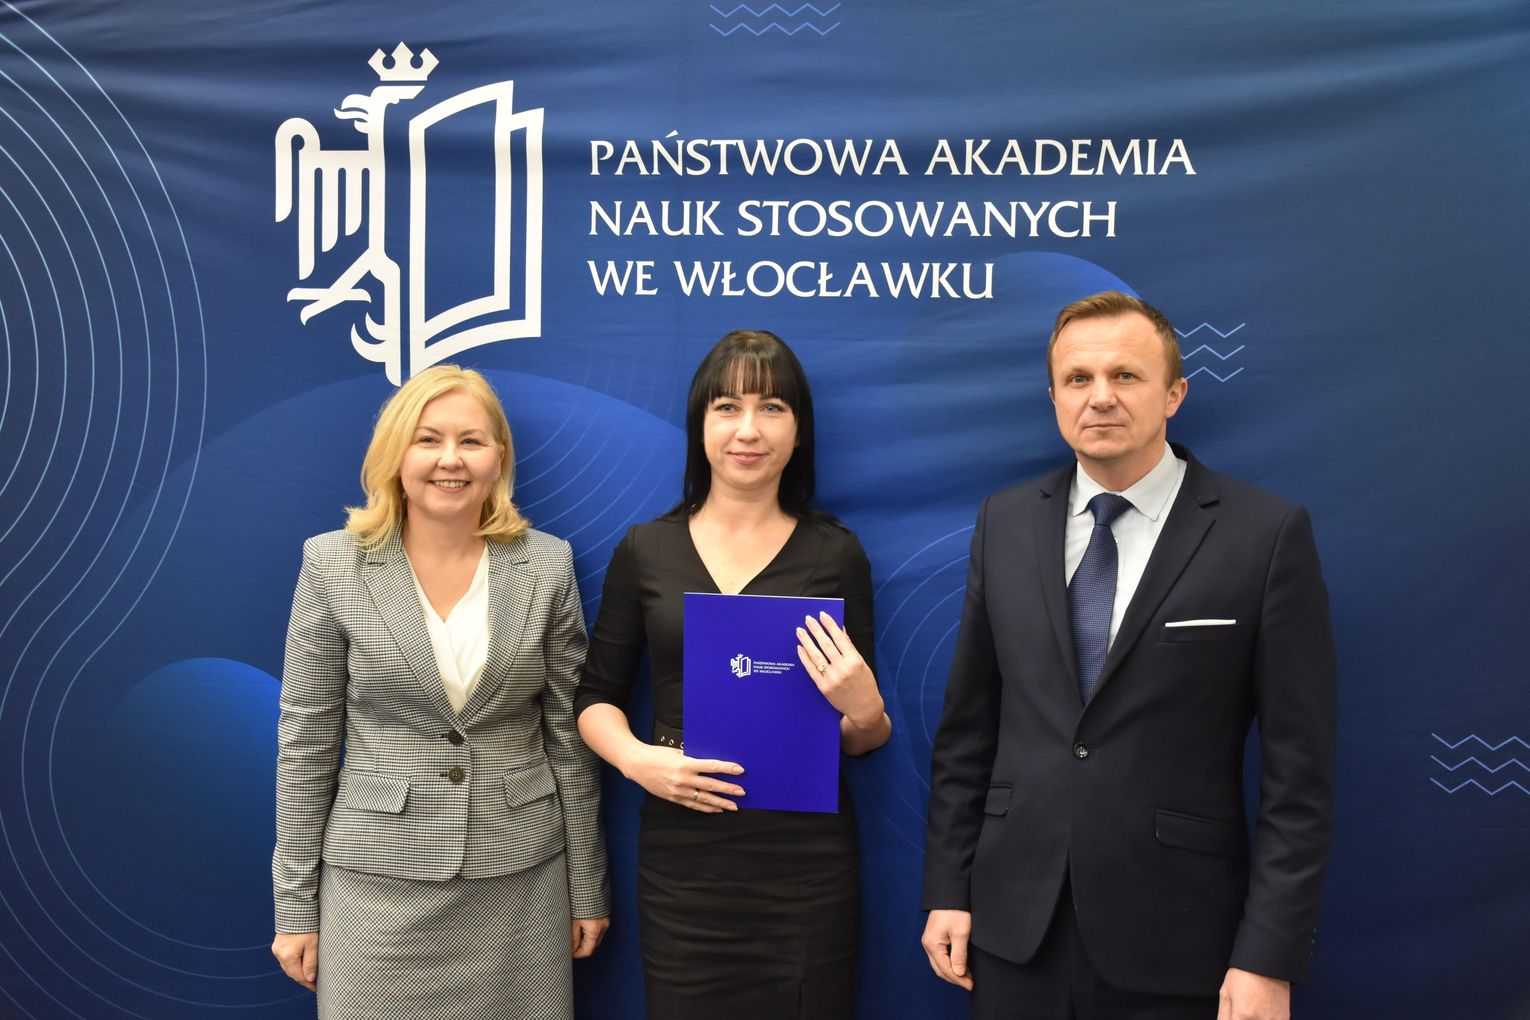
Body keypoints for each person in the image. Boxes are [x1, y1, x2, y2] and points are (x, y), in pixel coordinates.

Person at [921, 292, 1337, 1020]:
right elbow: (968, 732)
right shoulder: (1004, 523)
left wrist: (1267, 955)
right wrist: (948, 890)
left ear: (1174, 393)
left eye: (1126, 375)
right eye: (1078, 379)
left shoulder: (1264, 535)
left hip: (1178, 938)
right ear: (1054, 397)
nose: (1101, 397)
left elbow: (1299, 776)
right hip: (1013, 931)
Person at [271, 365, 610, 1019]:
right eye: (428, 440)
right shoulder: (332, 563)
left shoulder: (548, 564)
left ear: (498, 457)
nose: (450, 459)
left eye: (471, 441)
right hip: (375, 888)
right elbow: (307, 741)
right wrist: (295, 905)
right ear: (396, 454)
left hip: (520, 878)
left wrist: (587, 886)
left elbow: (569, 741)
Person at [576, 329, 892, 1019]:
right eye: (728, 407)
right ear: (701, 426)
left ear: (799, 431)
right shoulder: (646, 549)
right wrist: (637, 761)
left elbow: (862, 737)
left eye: (772, 407)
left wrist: (866, 709)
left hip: (804, 869)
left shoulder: (836, 554)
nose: (749, 429)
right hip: (683, 865)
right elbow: (595, 697)